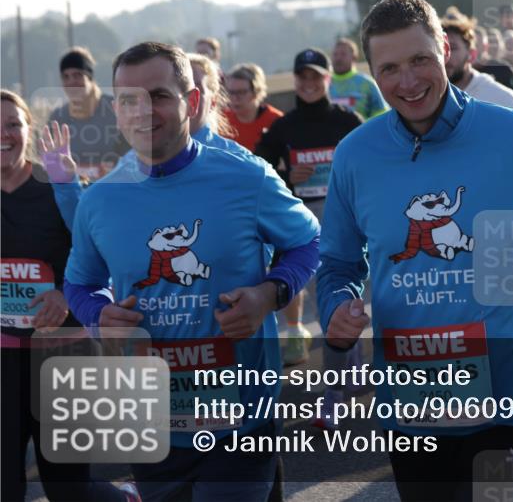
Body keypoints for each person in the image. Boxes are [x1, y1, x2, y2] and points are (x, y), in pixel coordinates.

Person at [317, 0, 513, 501]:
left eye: (420, 60)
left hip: (507, 385)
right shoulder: (355, 155)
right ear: (371, 73)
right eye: (389, 69)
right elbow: (338, 263)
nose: (407, 82)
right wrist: (337, 309)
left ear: (446, 49)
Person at [63, 42, 320, 501]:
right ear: (116, 111)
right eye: (128, 99)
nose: (144, 111)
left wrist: (269, 294)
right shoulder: (100, 199)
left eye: (159, 95)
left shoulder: (248, 177)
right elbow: (81, 283)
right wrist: (98, 314)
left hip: (242, 418)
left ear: (193, 101)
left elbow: (309, 241)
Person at [1, 91, 140, 502]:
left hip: (63, 352)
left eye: (13, 124)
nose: (4, 134)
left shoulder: (57, 187)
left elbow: (102, 259)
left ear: (31, 129)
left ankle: (128, 499)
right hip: (4, 355)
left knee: (67, 487)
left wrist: (64, 294)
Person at [256, 48, 364, 365]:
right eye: (302, 77)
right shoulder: (285, 125)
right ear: (295, 80)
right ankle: (294, 335)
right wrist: (288, 175)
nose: (309, 84)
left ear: (327, 79)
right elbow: (260, 168)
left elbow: (368, 164)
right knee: (301, 280)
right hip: (300, 216)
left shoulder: (347, 121)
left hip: (341, 212)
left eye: (315, 77)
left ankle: (352, 344)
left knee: (344, 278)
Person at [47, 47, 128, 182]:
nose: (71, 82)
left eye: (77, 75)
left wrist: (114, 170)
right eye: (65, 77)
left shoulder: (115, 109)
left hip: (113, 188)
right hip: (73, 193)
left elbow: (135, 155)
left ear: (90, 77)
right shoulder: (58, 118)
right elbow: (49, 162)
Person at [442, 11, 513, 108]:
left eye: (453, 48)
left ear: (471, 54)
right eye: (439, 48)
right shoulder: (426, 99)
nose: (445, 55)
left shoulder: (505, 101)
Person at [223, 63, 284, 152]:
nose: (235, 98)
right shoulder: (222, 121)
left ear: (256, 92)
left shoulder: (275, 120)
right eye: (231, 92)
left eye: (241, 92)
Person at [328, 38, 389, 119]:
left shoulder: (367, 84)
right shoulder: (322, 84)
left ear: (354, 57)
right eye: (335, 54)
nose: (338, 58)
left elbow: (382, 116)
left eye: (343, 54)